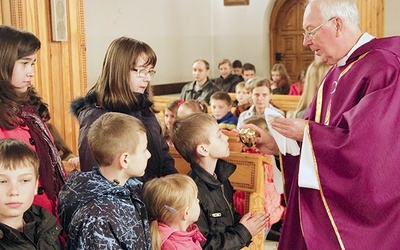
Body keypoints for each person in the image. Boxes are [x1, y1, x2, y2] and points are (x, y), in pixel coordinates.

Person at [243, 0, 400, 249]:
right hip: (320, 209)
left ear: (337, 25)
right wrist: (279, 146)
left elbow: (374, 150)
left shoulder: (385, 66)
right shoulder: (335, 72)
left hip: (358, 219)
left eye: (310, 31)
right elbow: (315, 137)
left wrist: (308, 133)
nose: (305, 42)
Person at [70, 36, 177, 182]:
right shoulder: (97, 116)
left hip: (155, 196)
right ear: (119, 71)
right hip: (122, 202)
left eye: (150, 71)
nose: (147, 78)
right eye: (140, 71)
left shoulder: (144, 108)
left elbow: (163, 157)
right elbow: (96, 176)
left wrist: (176, 189)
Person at [170, 113, 269, 249]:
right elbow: (204, 245)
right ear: (203, 149)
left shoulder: (221, 177)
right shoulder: (193, 193)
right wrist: (244, 232)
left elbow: (227, 216)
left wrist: (243, 224)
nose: (226, 137)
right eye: (219, 136)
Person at [58, 112, 152, 249]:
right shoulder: (97, 219)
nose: (148, 154)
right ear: (125, 160)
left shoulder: (129, 189)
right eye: (144, 150)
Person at [0, 25, 66, 216]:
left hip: (48, 218)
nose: (31, 72)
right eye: (24, 63)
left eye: (33, 64)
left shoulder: (29, 111)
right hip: (18, 220)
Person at [0, 138, 63, 249]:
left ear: (35, 185)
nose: (14, 191)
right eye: (2, 181)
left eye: (24, 181)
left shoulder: (46, 225)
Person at [143, 174, 206, 250]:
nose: (198, 200)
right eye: (195, 199)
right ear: (186, 213)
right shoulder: (174, 246)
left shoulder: (184, 236)